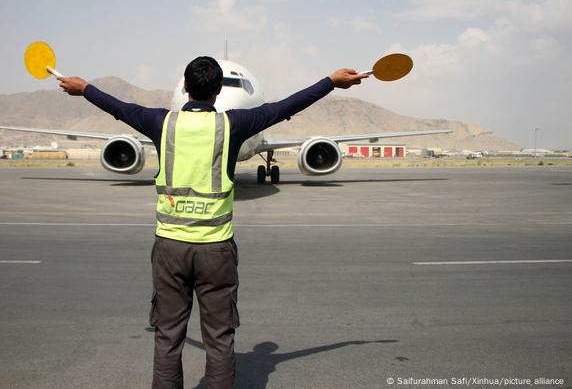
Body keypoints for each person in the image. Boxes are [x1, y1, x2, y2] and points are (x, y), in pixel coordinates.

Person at [57, 57, 367, 389]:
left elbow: (118, 107)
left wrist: (84, 88)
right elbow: (286, 107)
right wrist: (331, 82)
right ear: (218, 91)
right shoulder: (233, 125)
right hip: (216, 251)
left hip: (170, 249)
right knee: (219, 339)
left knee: (167, 337)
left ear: (185, 87)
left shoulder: (160, 123)